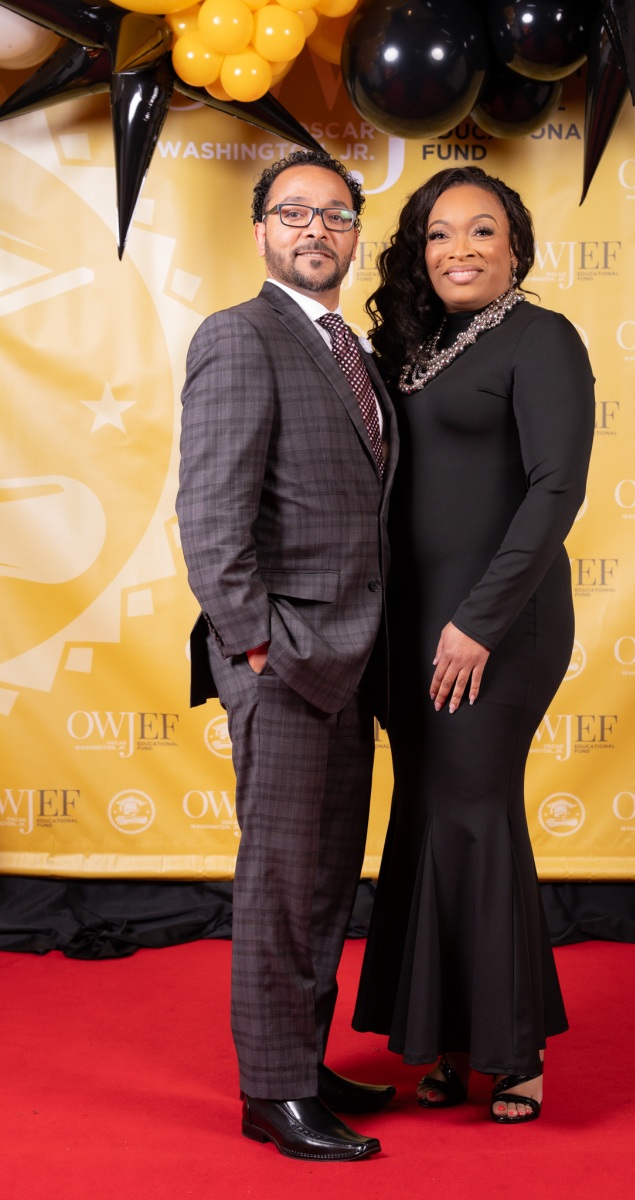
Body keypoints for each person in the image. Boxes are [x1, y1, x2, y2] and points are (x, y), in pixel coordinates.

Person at [352, 166, 595, 1124]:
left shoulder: (543, 338)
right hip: (411, 628)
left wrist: (480, 622)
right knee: (426, 815)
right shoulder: (417, 347)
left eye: (482, 230)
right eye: (439, 233)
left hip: (495, 627)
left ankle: (513, 1051)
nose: (460, 249)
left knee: (474, 812)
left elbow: (555, 488)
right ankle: (448, 1042)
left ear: (516, 249)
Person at [176, 149, 398, 1162]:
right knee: (279, 884)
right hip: (287, 661)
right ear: (261, 229)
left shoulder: (352, 348)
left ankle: (301, 1061)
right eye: (295, 212)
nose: (317, 229)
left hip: (350, 661)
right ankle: (272, 1093)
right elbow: (211, 515)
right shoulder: (239, 335)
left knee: (323, 883)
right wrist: (259, 646)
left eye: (336, 215)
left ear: (355, 235)